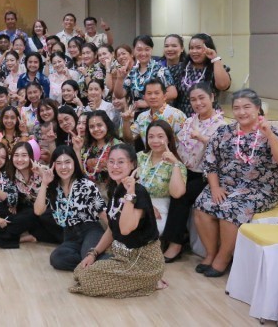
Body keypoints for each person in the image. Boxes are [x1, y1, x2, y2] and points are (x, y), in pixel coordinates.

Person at [193, 89, 278, 277]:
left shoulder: (276, 133)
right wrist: (214, 187)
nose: (241, 112)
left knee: (231, 209)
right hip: (227, 185)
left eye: (247, 107)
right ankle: (211, 253)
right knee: (202, 205)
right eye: (237, 108)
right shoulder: (224, 132)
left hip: (261, 189)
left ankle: (222, 258)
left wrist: (269, 135)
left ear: (258, 108)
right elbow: (210, 162)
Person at [71, 144, 166, 298]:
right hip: (121, 253)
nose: (115, 166)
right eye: (111, 162)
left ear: (132, 165)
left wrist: (130, 194)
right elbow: (112, 228)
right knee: (79, 271)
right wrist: (93, 254)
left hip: (142, 261)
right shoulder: (116, 189)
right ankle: (139, 282)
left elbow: (125, 229)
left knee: (87, 281)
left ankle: (149, 281)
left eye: (121, 162)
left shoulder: (138, 192)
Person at [163, 83, 228, 262]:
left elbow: (222, 151)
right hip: (185, 169)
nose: (198, 103)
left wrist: (201, 138)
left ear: (212, 97)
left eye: (202, 98)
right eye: (193, 99)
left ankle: (175, 244)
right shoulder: (190, 121)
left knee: (181, 195)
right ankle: (165, 237)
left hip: (207, 175)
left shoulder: (222, 125)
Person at [35, 145, 106, 271]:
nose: (63, 167)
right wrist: (44, 183)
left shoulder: (86, 185)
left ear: (74, 163)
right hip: (70, 235)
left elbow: (103, 214)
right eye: (59, 163)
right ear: (53, 166)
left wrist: (117, 237)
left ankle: (92, 260)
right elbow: (38, 211)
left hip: (90, 230)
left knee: (88, 255)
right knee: (57, 259)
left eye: (68, 162)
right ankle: (90, 262)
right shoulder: (53, 187)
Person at [137, 120, 187, 236]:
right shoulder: (140, 157)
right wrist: (146, 206)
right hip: (137, 202)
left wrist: (175, 164)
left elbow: (177, 193)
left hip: (161, 208)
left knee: (146, 231)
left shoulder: (177, 164)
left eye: (160, 136)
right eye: (151, 137)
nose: (155, 141)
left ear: (169, 139)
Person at [113, 35, 177, 112]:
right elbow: (120, 95)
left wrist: (147, 103)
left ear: (151, 50)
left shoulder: (160, 69)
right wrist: (120, 79)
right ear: (134, 50)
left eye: (147, 49)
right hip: (138, 115)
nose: (143, 53)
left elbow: (173, 93)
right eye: (139, 50)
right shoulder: (133, 72)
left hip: (158, 114)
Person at [174, 33, 231, 117]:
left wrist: (215, 58)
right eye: (191, 48)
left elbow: (223, 86)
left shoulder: (216, 67)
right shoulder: (179, 68)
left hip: (209, 118)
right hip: (183, 117)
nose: (194, 51)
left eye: (198, 48)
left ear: (209, 48)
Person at [122, 79, 186, 148]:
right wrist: (126, 121)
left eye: (157, 93)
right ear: (144, 97)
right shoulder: (142, 117)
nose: (153, 97)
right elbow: (129, 139)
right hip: (150, 155)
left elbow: (186, 144)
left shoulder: (177, 115)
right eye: (149, 93)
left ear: (164, 96)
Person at [77, 110, 121, 193]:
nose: (96, 129)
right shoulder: (86, 146)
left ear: (107, 125)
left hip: (112, 192)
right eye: (92, 127)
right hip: (88, 192)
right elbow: (80, 171)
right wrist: (77, 149)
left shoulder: (118, 146)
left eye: (99, 125)